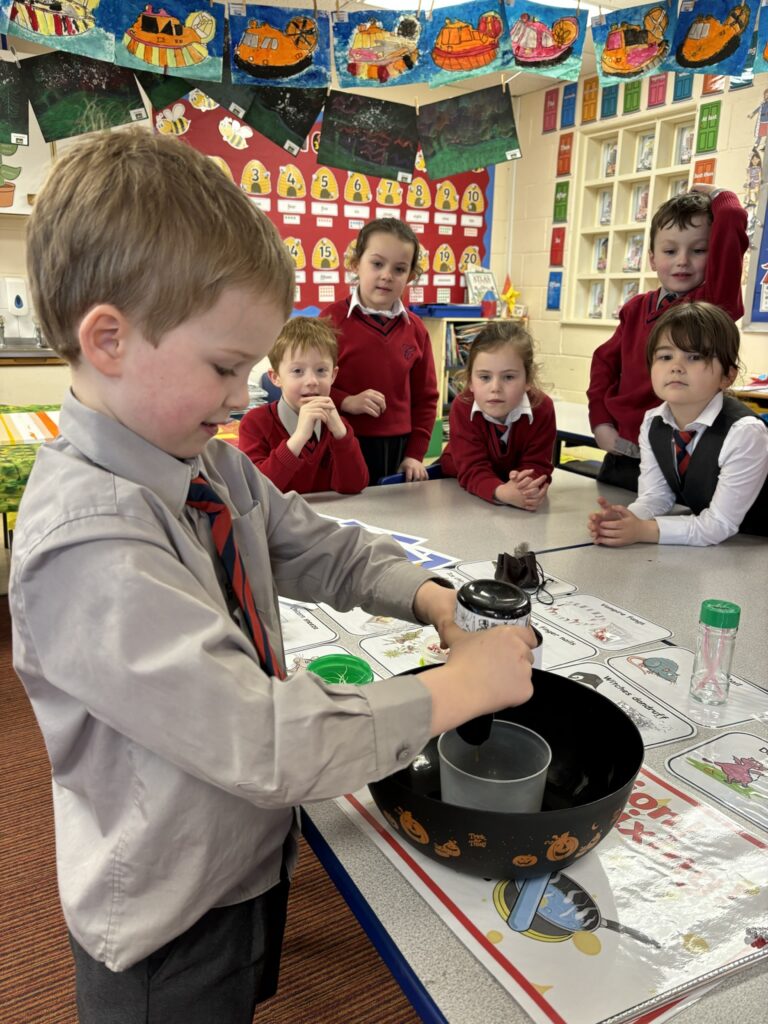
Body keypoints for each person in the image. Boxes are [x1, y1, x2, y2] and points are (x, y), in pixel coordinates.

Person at [9, 130, 537, 1024]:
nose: (240, 396)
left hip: (244, 854)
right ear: (109, 339)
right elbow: (262, 739)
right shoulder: (84, 546)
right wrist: (456, 688)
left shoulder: (203, 463)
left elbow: (315, 543)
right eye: (224, 367)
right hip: (165, 914)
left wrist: (432, 596)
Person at [587, 183, 748, 491]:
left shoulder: (711, 303)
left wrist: (719, 196)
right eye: (670, 250)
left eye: (699, 250)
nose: (683, 260)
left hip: (679, 457)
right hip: (625, 451)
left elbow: (731, 223)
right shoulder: (635, 308)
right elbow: (603, 364)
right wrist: (601, 422)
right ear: (651, 258)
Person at [587, 302, 768, 547]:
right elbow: (656, 496)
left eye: (694, 357)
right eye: (665, 356)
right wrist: (625, 520)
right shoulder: (653, 422)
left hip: (754, 548)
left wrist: (643, 531)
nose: (676, 367)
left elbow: (719, 524)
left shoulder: (745, 432)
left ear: (728, 376)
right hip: (713, 549)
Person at [321, 218, 439, 483]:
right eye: (377, 264)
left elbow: (426, 398)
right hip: (341, 440)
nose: (387, 275)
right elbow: (310, 385)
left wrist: (415, 454)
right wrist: (347, 402)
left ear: (410, 276)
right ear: (356, 264)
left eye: (399, 269)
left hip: (398, 450)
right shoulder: (330, 322)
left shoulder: (417, 330)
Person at [238, 316, 369, 494]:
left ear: (333, 375)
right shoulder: (255, 422)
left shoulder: (337, 425)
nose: (312, 381)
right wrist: (298, 438)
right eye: (297, 371)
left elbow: (353, 486)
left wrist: (341, 435)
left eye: (321, 370)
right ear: (275, 377)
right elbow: (257, 491)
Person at [440, 321, 555, 509]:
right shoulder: (463, 407)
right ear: (470, 381)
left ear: (528, 379)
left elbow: (537, 466)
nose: (495, 388)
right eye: (484, 377)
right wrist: (501, 492)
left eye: (508, 377)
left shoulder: (542, 407)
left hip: (510, 500)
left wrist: (527, 489)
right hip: (459, 492)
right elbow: (472, 469)